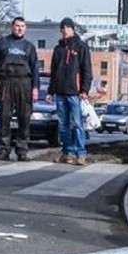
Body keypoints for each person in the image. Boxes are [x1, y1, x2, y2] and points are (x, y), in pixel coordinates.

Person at [0, 17, 40, 162]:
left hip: (24, 84)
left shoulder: (29, 47)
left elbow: (35, 68)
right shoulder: (2, 43)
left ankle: (22, 150)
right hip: (6, 82)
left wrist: (35, 88)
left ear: (25, 28)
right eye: (17, 26)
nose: (20, 28)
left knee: (24, 118)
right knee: (4, 117)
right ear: (12, 27)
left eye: (22, 26)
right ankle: (4, 150)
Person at [46, 17, 92, 166]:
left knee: (77, 124)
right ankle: (67, 153)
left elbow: (86, 69)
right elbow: (53, 72)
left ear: (73, 29)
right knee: (63, 126)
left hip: (75, 93)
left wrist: (85, 89)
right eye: (63, 28)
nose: (65, 30)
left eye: (67, 27)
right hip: (60, 92)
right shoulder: (58, 49)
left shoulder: (81, 47)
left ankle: (80, 154)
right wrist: (50, 91)